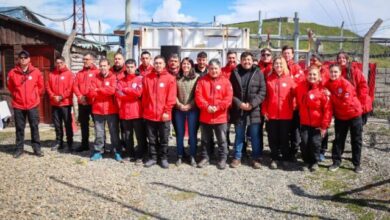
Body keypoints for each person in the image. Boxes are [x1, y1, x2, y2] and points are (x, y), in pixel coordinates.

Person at [229, 52, 266, 169]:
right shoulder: (234, 73)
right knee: (239, 135)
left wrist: (252, 104)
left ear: (252, 60)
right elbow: (231, 92)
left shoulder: (258, 73)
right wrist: (239, 104)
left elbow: (262, 92)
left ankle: (256, 158)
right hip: (239, 110)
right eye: (244, 59)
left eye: (249, 59)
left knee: (255, 135)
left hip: (254, 110)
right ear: (240, 61)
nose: (247, 62)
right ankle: (237, 157)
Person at [195, 59, 233, 170]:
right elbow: (198, 97)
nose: (214, 71)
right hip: (205, 116)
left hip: (220, 117)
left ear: (220, 69)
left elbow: (228, 98)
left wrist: (218, 107)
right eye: (211, 68)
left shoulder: (226, 81)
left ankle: (222, 159)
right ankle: (205, 157)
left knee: (222, 140)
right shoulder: (202, 81)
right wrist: (207, 107)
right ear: (208, 69)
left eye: (216, 68)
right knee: (205, 140)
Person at [326, 64, 364, 173]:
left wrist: (331, 96)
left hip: (354, 114)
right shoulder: (328, 84)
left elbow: (345, 103)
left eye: (335, 72)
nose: (333, 74)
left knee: (356, 140)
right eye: (331, 72)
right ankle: (336, 162)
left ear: (340, 73)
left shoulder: (345, 84)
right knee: (338, 139)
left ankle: (357, 164)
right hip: (340, 116)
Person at [7, 50, 44, 158]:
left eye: (25, 57)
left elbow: (41, 87)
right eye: (21, 57)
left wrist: (35, 96)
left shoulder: (36, 72)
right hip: (18, 105)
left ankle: (37, 148)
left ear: (29, 59)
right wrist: (17, 96)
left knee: (34, 126)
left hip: (32, 104)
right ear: (18, 59)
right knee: (19, 128)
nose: (23, 59)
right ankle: (19, 149)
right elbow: (10, 87)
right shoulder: (12, 72)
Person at [142, 56, 177, 169]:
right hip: (150, 114)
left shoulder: (170, 78)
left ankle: (163, 158)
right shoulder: (147, 78)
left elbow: (171, 97)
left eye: (160, 63)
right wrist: (145, 109)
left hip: (164, 115)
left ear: (164, 64)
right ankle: (153, 158)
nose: (158, 65)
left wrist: (167, 111)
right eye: (156, 63)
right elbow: (145, 96)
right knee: (151, 139)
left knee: (164, 138)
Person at [262, 56, 296, 169]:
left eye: (281, 64)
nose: (278, 66)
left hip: (285, 114)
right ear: (273, 65)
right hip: (271, 114)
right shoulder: (269, 79)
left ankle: (285, 157)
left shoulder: (289, 79)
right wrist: (264, 111)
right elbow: (265, 97)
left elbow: (296, 94)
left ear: (284, 65)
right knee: (273, 137)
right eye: (276, 64)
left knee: (284, 137)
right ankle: (274, 158)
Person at [296, 66, 332, 171]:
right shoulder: (301, 87)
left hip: (318, 124)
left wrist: (324, 125)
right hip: (304, 122)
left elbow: (327, 110)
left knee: (315, 144)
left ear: (319, 77)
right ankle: (306, 161)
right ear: (307, 76)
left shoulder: (323, 91)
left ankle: (314, 162)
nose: (312, 76)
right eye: (310, 74)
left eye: (314, 75)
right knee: (305, 142)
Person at [88, 59, 121, 161]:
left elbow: (112, 90)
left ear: (108, 66)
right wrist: (101, 91)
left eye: (105, 66)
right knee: (99, 132)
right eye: (101, 66)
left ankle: (116, 151)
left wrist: (98, 89)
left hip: (111, 109)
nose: (103, 68)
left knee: (114, 132)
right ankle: (98, 151)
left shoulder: (113, 77)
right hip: (98, 109)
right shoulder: (95, 78)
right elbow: (90, 92)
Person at [116, 59, 147, 165]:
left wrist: (126, 90)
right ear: (125, 67)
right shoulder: (121, 80)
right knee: (127, 136)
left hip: (137, 111)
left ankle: (140, 155)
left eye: (132, 67)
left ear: (135, 67)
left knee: (140, 135)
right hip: (125, 112)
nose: (130, 69)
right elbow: (119, 94)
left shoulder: (140, 79)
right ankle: (130, 154)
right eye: (128, 67)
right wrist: (130, 93)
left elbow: (138, 93)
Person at [174, 57, 200, 167]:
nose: (185, 66)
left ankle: (192, 155)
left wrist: (190, 105)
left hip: (192, 109)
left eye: (188, 64)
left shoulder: (197, 78)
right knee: (179, 134)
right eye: (184, 64)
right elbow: (172, 93)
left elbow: (198, 93)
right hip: (178, 109)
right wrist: (179, 105)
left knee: (192, 134)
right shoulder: (176, 77)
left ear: (191, 65)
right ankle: (180, 155)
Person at [46, 56, 74, 152]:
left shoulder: (69, 74)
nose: (59, 64)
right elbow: (48, 87)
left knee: (67, 124)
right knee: (57, 125)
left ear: (64, 63)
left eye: (61, 62)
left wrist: (61, 97)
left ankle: (70, 143)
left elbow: (70, 88)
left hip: (65, 103)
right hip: (55, 104)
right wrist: (53, 96)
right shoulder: (51, 74)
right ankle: (59, 142)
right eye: (57, 63)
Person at [282, 45, 305, 161]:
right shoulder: (279, 66)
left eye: (289, 53)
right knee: (284, 128)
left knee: (295, 129)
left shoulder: (296, 67)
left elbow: (299, 82)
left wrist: (289, 81)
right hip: (282, 105)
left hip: (294, 105)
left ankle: (294, 150)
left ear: (292, 54)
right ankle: (284, 149)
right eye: (285, 53)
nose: (287, 55)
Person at [336, 51, 372, 125]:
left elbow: (363, 87)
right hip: (346, 108)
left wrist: (359, 104)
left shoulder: (355, 71)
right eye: (339, 58)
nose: (341, 59)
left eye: (343, 58)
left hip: (359, 105)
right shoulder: (337, 73)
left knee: (357, 132)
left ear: (347, 59)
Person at [306, 53, 330, 161]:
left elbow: (329, 85)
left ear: (320, 62)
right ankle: (312, 152)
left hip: (322, 100)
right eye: (311, 60)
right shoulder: (308, 71)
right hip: (312, 101)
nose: (313, 62)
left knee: (324, 128)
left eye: (315, 60)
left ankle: (322, 151)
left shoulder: (326, 73)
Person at [73, 53, 99, 152]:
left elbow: (97, 86)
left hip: (93, 102)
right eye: (84, 59)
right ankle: (84, 144)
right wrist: (80, 96)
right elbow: (75, 86)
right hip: (82, 103)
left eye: (87, 59)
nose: (85, 61)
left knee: (98, 125)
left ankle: (101, 145)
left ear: (92, 60)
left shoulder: (97, 72)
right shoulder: (80, 73)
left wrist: (89, 96)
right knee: (84, 124)